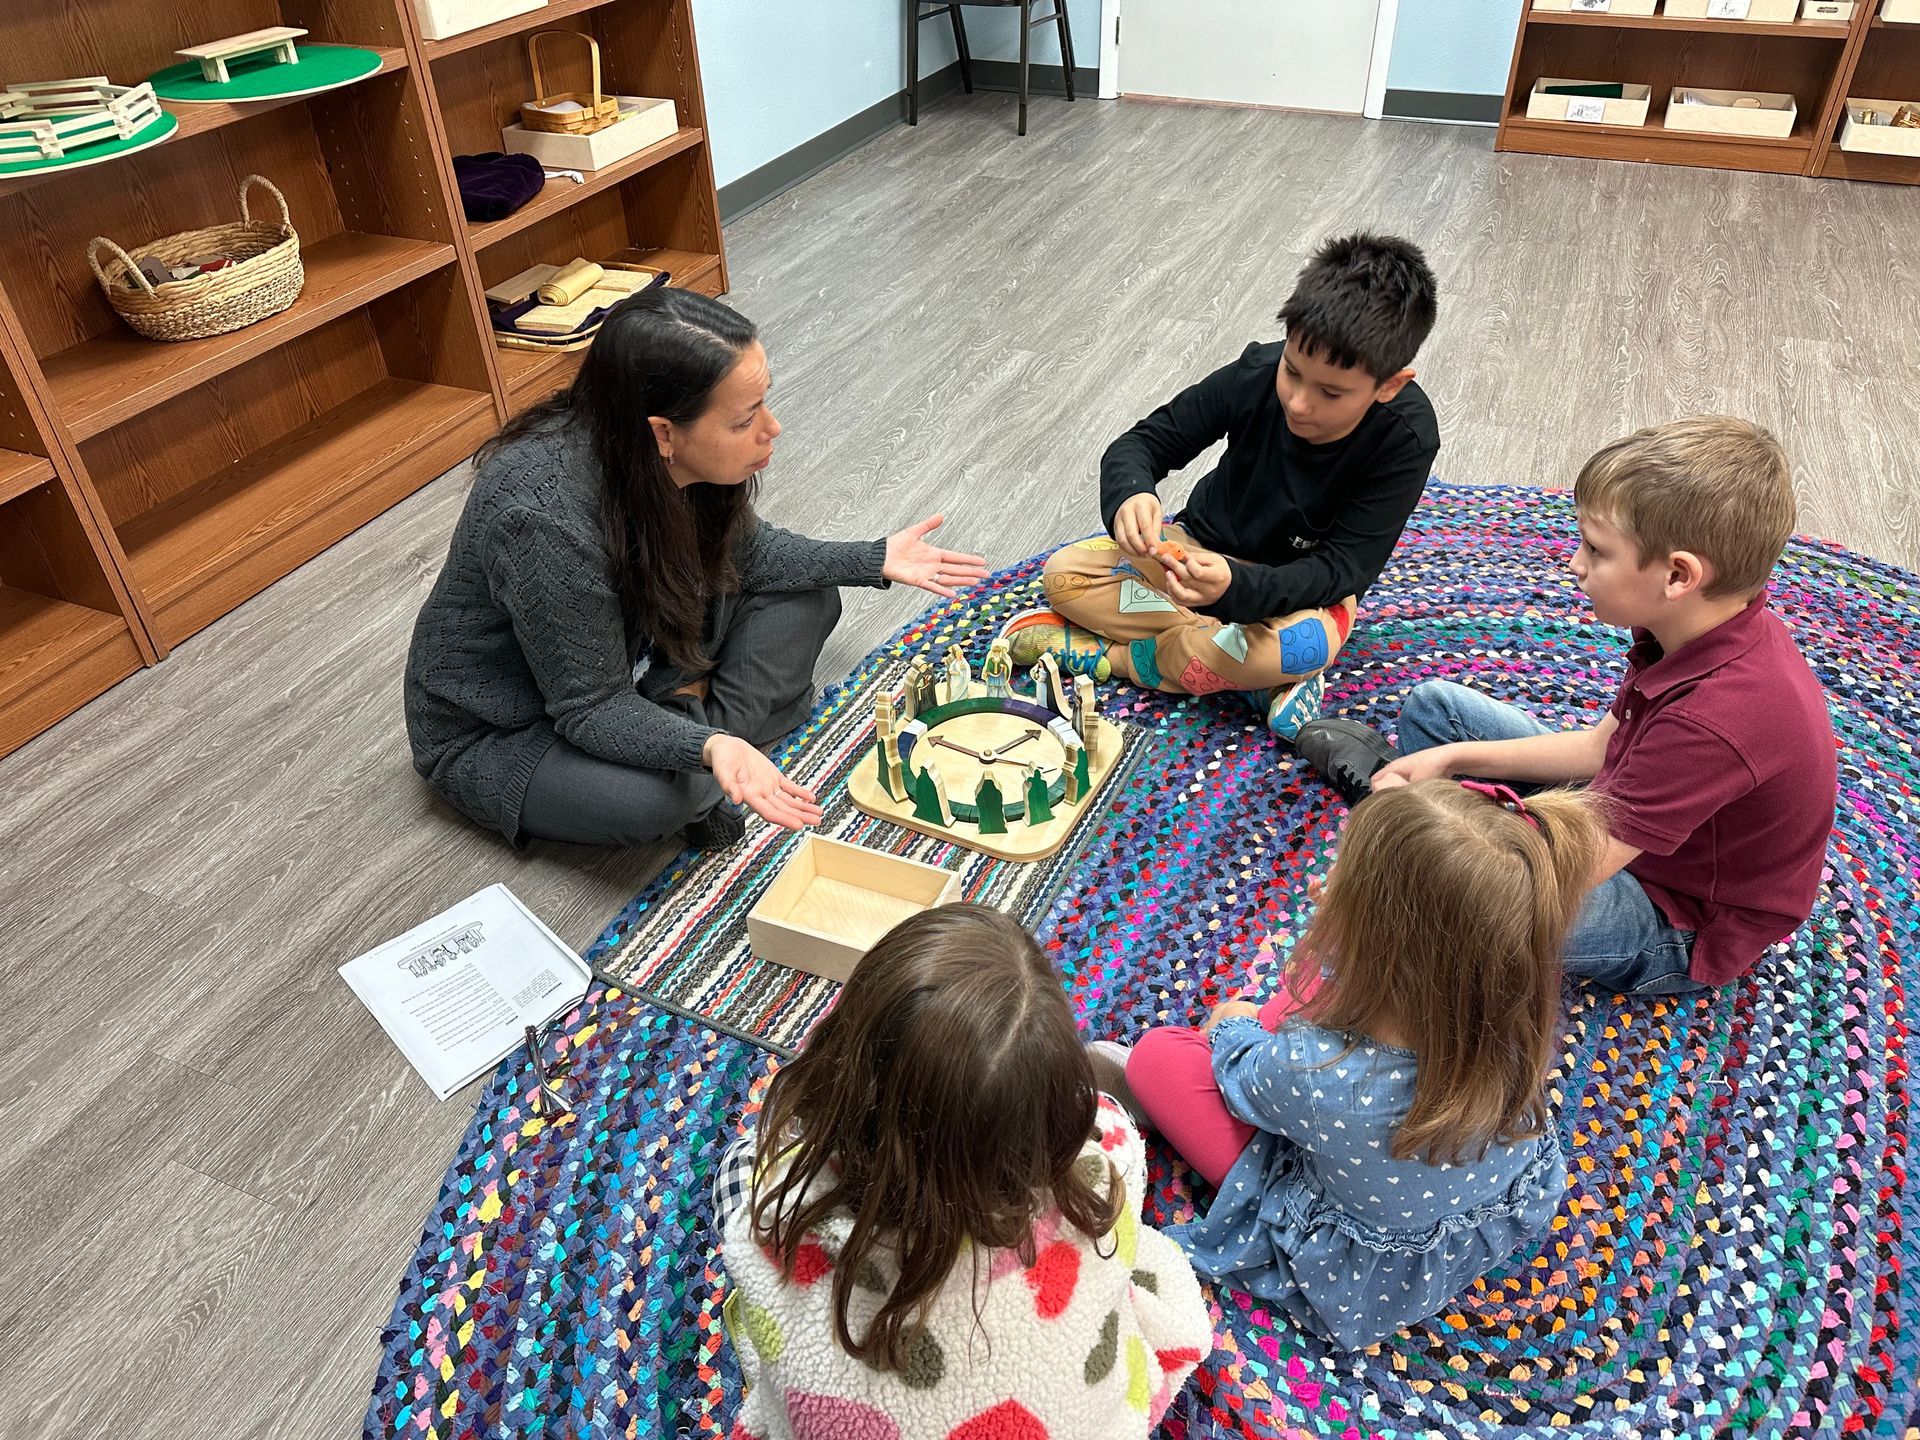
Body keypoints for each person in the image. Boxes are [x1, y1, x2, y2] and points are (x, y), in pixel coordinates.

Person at [404, 288, 986, 850]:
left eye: (763, 403)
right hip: (513, 727)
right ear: (663, 432)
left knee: (808, 594)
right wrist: (709, 748)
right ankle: (701, 736)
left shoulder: (652, 453)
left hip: (633, 657)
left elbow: (750, 556)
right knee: (662, 800)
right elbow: (589, 707)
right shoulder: (541, 514)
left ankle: (689, 729)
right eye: (743, 420)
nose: (771, 428)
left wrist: (875, 557)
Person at [1298, 417, 1838, 994]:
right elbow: (1599, 747)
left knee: (1464, 911)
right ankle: (1432, 807)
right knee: (1435, 714)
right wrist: (1450, 759)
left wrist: (1396, 883)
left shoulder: (1714, 719)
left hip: (1673, 917)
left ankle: (1423, 823)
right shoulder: (1703, 629)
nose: (1575, 565)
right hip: (1620, 817)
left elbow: (1566, 872)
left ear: (1678, 575)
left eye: (1597, 550)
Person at [1091, 779, 1601, 1352]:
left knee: (1161, 1057)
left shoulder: (1317, 1073)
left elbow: (1241, 1074)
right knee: (1306, 987)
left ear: (1384, 948)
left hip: (1348, 1260)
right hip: (1472, 1208)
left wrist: (1232, 1021)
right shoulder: (1514, 1023)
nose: (1317, 887)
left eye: (1340, 887)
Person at [715, 905, 1212, 1438]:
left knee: (743, 1164)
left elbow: (765, 1300)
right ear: (1053, 1129)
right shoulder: (1092, 1183)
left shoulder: (787, 1218)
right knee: (1112, 1132)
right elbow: (1108, 1157)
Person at [1004, 233, 1440, 739]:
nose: (1299, 402)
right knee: (1066, 575)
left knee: (1305, 645)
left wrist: (1237, 588)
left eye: (1331, 393)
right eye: (1293, 372)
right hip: (1195, 551)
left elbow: (1342, 570)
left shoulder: (1405, 438)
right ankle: (1248, 676)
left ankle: (1118, 661)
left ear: (1390, 385)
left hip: (1300, 593)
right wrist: (1132, 493)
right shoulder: (1255, 373)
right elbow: (1144, 443)